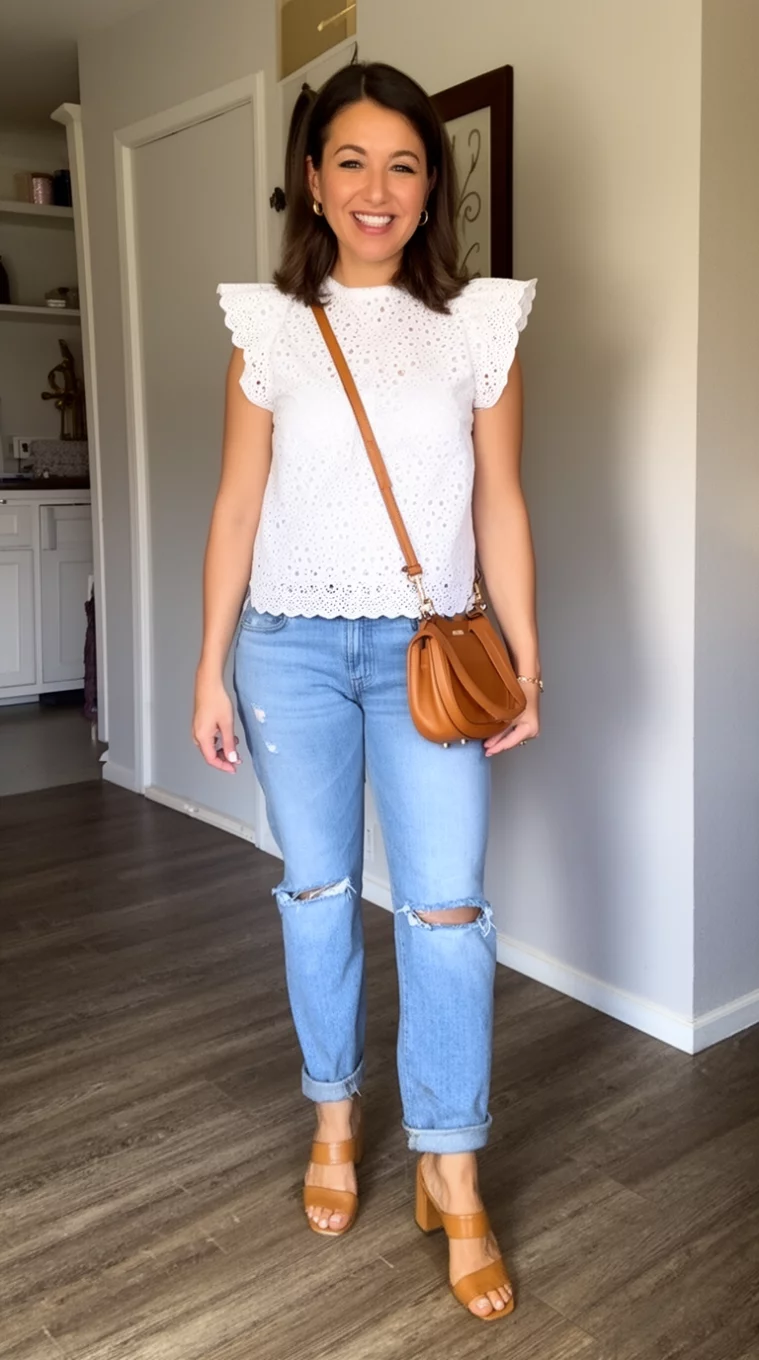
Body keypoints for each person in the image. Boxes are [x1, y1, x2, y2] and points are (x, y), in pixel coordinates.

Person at [193, 60, 540, 1322]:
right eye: (352, 160)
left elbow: (499, 499)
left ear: (429, 185)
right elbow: (239, 504)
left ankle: (452, 1165)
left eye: (404, 163)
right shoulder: (271, 325)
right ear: (311, 178)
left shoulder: (477, 324)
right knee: (318, 893)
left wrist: (528, 655)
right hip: (287, 648)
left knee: (448, 912)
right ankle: (334, 1119)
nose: (378, 188)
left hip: (429, 654)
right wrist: (207, 665)